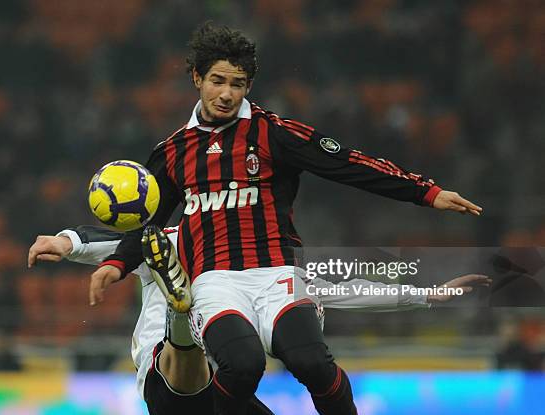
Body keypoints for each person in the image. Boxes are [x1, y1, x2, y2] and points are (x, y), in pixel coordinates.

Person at [85, 23, 482, 415]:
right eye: (217, 81)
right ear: (197, 78)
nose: (226, 94)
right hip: (214, 282)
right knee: (243, 365)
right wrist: (117, 265)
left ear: (248, 87)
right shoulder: (172, 151)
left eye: (237, 84)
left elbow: (346, 164)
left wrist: (425, 192)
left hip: (279, 274)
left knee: (312, 363)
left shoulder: (274, 133)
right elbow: (148, 221)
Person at [28, 227, 273, 415]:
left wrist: (67, 242)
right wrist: (67, 241)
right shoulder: (165, 241)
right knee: (187, 390)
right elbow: (121, 243)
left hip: (227, 378)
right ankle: (180, 318)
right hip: (171, 368)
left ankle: (181, 317)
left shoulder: (176, 239)